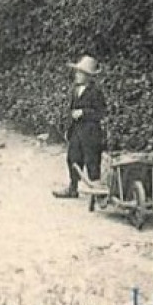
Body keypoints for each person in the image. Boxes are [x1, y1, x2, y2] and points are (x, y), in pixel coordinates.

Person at [52, 54, 105, 199]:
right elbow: (70, 110)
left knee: (92, 160)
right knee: (73, 158)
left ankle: (97, 191)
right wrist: (67, 126)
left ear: (89, 76)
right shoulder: (75, 90)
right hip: (76, 130)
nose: (77, 75)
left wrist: (83, 112)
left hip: (91, 132)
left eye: (80, 73)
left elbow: (101, 113)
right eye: (77, 72)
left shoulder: (96, 92)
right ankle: (73, 187)